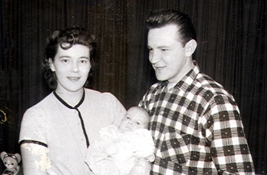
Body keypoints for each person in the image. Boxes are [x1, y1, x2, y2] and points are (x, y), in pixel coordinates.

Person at [138, 9, 255, 174]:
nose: (154, 59)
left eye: (164, 50)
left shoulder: (214, 101)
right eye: (151, 49)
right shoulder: (152, 95)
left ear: (189, 48)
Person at [19, 27, 126, 175]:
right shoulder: (36, 116)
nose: (75, 69)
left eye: (82, 61)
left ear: (90, 64)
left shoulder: (108, 103)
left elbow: (136, 153)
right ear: (51, 64)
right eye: (65, 60)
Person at [85, 106, 155, 175]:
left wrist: (146, 155)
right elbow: (102, 141)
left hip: (128, 168)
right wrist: (108, 146)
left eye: (137, 123)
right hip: (110, 163)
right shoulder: (113, 131)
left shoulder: (139, 139)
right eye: (128, 118)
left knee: (141, 167)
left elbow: (147, 150)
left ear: (144, 130)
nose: (130, 122)